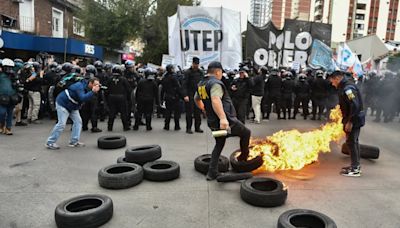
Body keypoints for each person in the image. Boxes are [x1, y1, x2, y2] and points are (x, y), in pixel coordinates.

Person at [194, 61, 251, 180]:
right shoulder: (215, 83)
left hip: (212, 123)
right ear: (218, 71)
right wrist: (223, 118)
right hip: (225, 122)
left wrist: (204, 109)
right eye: (221, 73)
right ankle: (243, 159)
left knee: (219, 143)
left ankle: (212, 172)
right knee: (246, 133)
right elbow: (215, 100)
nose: (221, 75)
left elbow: (196, 99)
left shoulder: (201, 84)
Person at [327, 71, 365, 177]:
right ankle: (355, 165)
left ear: (337, 78)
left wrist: (350, 121)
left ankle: (355, 169)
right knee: (352, 142)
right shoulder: (345, 87)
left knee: (351, 143)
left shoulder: (348, 89)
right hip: (353, 118)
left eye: (332, 81)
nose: (332, 84)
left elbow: (355, 105)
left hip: (354, 120)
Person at [45, 77, 100, 149]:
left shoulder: (88, 87)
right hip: (63, 104)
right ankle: (50, 142)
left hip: (73, 105)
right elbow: (82, 98)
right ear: (90, 83)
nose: (97, 87)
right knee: (61, 124)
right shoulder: (79, 86)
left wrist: (92, 92)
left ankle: (74, 141)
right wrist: (92, 92)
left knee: (78, 122)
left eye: (98, 85)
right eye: (95, 85)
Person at [0, 59, 23, 135]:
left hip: (12, 97)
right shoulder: (1, 74)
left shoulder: (13, 75)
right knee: (2, 113)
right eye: (7, 67)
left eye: (10, 67)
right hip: (2, 97)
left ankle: (8, 128)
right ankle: (1, 125)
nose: (8, 69)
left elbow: (20, 65)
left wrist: (13, 64)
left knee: (10, 113)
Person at [106, 65, 131, 131]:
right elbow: (128, 89)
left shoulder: (110, 78)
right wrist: (128, 98)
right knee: (123, 112)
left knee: (112, 112)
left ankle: (110, 127)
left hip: (111, 97)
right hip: (121, 97)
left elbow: (107, 89)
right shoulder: (123, 79)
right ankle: (125, 126)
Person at [182, 57, 204, 134]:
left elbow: (203, 84)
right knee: (189, 112)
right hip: (190, 94)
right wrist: (185, 95)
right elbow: (184, 84)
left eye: (197, 64)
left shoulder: (200, 72)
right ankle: (188, 128)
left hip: (198, 95)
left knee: (198, 112)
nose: (196, 65)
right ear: (193, 63)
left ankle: (197, 127)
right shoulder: (188, 72)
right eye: (195, 64)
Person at [80, 65, 102, 133]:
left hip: (85, 96)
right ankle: (94, 127)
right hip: (93, 97)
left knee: (84, 112)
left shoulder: (82, 79)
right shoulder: (95, 79)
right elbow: (98, 90)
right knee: (94, 112)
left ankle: (84, 126)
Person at [161, 64, 183, 131]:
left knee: (168, 111)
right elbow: (178, 87)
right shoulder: (174, 77)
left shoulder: (164, 77)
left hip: (167, 96)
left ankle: (166, 126)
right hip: (174, 96)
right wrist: (182, 95)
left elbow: (162, 89)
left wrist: (162, 98)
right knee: (176, 112)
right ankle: (177, 126)